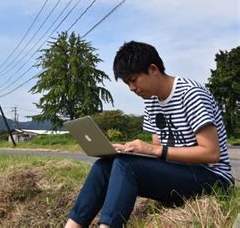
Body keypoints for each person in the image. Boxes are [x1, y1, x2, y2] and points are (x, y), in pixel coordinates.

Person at [65, 41, 233, 228]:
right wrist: (130, 149)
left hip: (212, 178)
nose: (131, 88)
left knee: (126, 166)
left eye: (133, 80)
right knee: (105, 166)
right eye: (127, 83)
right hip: (179, 173)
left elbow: (211, 154)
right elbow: (160, 152)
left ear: (153, 69)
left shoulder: (191, 94)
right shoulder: (151, 102)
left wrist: (151, 149)